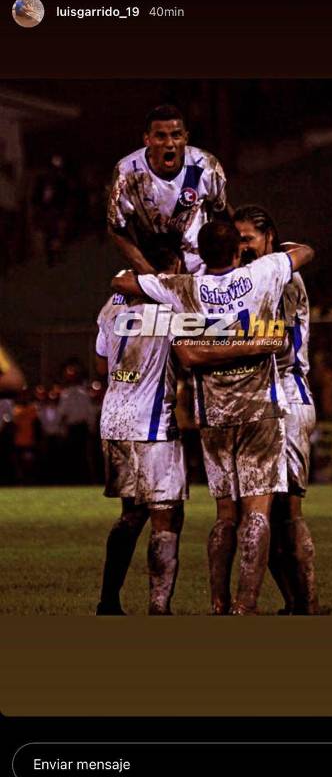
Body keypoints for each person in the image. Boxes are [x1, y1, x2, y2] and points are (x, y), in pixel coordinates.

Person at [112, 221, 314, 615]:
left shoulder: (184, 286)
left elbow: (122, 281)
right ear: (238, 251)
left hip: (212, 414)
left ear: (200, 255)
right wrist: (253, 343)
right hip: (260, 409)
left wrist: (157, 278)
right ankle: (246, 604)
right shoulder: (262, 272)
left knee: (224, 515)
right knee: (257, 513)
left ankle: (218, 602)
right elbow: (305, 252)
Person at [234, 205, 319, 615]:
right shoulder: (262, 275)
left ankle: (307, 602)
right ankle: (296, 604)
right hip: (273, 399)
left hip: (287, 397)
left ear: (269, 237)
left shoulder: (279, 279)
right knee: (265, 511)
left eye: (248, 238)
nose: (242, 247)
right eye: (237, 240)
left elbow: (278, 344)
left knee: (284, 514)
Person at [95, 250, 188, 616]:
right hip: (153, 426)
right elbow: (194, 355)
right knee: (167, 516)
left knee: (132, 514)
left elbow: (102, 358)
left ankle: (108, 601)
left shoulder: (111, 306)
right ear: (171, 266)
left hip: (115, 419)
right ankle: (158, 608)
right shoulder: (171, 308)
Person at [107, 103, 231, 276]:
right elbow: (116, 229)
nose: (170, 143)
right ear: (147, 139)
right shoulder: (127, 174)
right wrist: (149, 274)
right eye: (160, 136)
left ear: (186, 138)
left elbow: (222, 211)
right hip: (159, 272)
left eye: (176, 135)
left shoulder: (205, 165)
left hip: (204, 272)